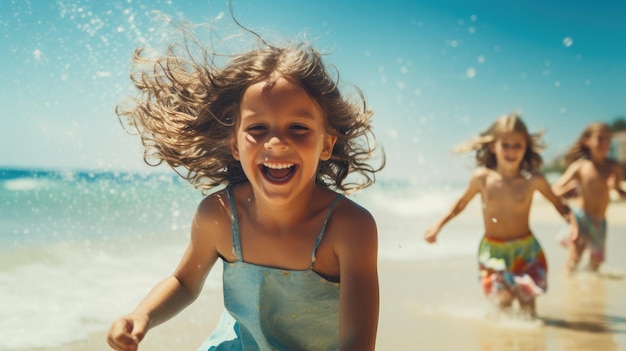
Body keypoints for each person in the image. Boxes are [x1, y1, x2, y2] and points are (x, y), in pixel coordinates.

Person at [106, 17, 384, 351]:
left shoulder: (349, 228)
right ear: (235, 144)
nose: (276, 142)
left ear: (326, 144)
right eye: (257, 128)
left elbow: (357, 343)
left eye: (297, 127)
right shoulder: (219, 215)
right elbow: (183, 282)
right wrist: (142, 317)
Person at [423, 113, 576, 318]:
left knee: (528, 308)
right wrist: (438, 225)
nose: (511, 150)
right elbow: (459, 205)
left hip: (526, 251)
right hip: (493, 251)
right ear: (493, 146)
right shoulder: (482, 178)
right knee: (501, 303)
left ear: (526, 147)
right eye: (506, 145)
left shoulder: (533, 180)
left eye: (517, 145)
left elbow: (560, 204)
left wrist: (573, 224)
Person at [551, 122, 626, 273]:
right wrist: (567, 189)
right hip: (580, 218)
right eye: (600, 139)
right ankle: (569, 288)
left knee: (596, 263)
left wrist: (616, 188)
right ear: (587, 142)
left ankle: (590, 288)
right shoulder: (580, 166)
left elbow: (622, 195)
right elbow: (554, 189)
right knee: (575, 257)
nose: (604, 143)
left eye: (607, 139)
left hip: (600, 222)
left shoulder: (613, 167)